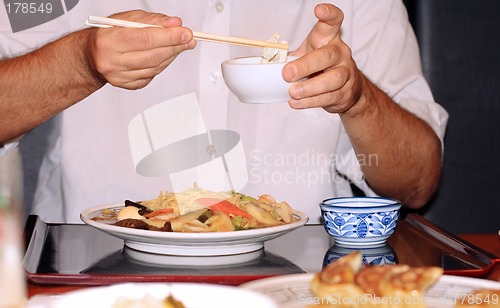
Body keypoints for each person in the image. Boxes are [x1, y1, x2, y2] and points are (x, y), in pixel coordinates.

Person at [0, 1, 448, 224]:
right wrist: (80, 61)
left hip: (298, 284)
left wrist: (357, 98)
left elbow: (418, 181)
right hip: (90, 276)